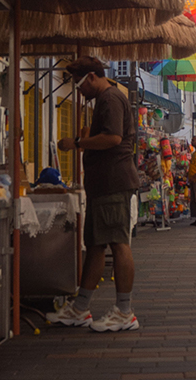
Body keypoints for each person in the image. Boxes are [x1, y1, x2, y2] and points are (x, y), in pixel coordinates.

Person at [49, 57, 140, 332]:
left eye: (79, 84)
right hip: (104, 183)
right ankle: (80, 308)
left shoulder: (110, 98)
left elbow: (112, 138)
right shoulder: (106, 98)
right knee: (97, 244)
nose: (78, 91)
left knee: (117, 242)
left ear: (91, 76)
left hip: (113, 181)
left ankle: (124, 312)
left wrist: (78, 143)